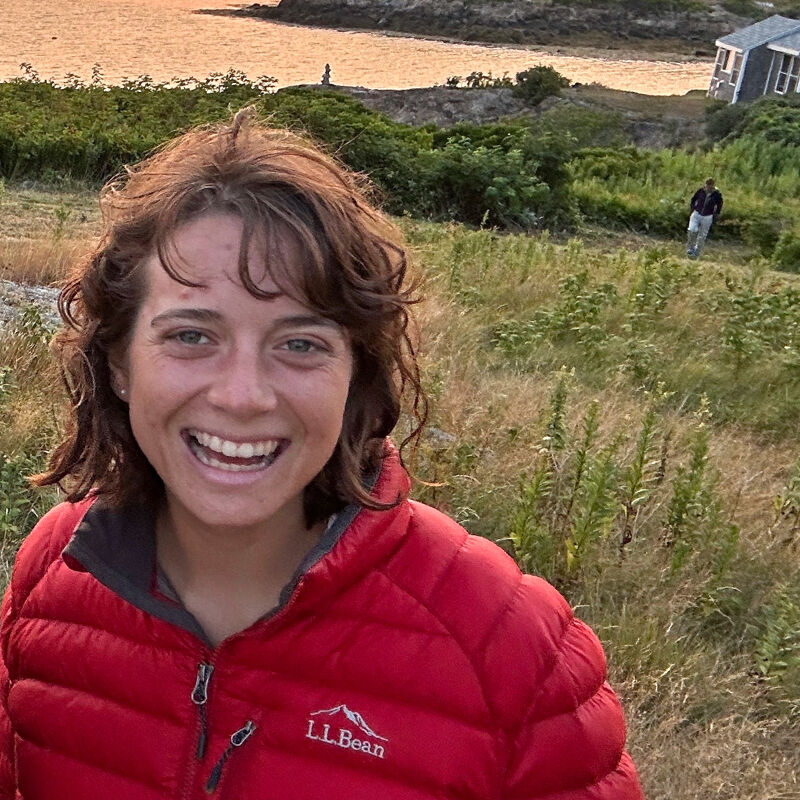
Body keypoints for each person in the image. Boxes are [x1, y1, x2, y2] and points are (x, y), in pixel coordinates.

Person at [0, 110, 643, 799]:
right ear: (120, 364)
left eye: (300, 344)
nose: (242, 395)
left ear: (356, 375)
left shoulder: (511, 649)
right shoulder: (54, 572)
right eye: (191, 336)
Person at [686, 177, 723, 259]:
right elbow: (693, 199)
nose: (709, 188)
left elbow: (719, 204)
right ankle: (690, 248)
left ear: (713, 186)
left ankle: (697, 253)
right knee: (692, 230)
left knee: (702, 236)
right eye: (707, 186)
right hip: (697, 213)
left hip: (707, 216)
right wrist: (692, 208)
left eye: (711, 186)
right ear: (705, 185)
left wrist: (716, 214)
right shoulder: (701, 191)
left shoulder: (717, 194)